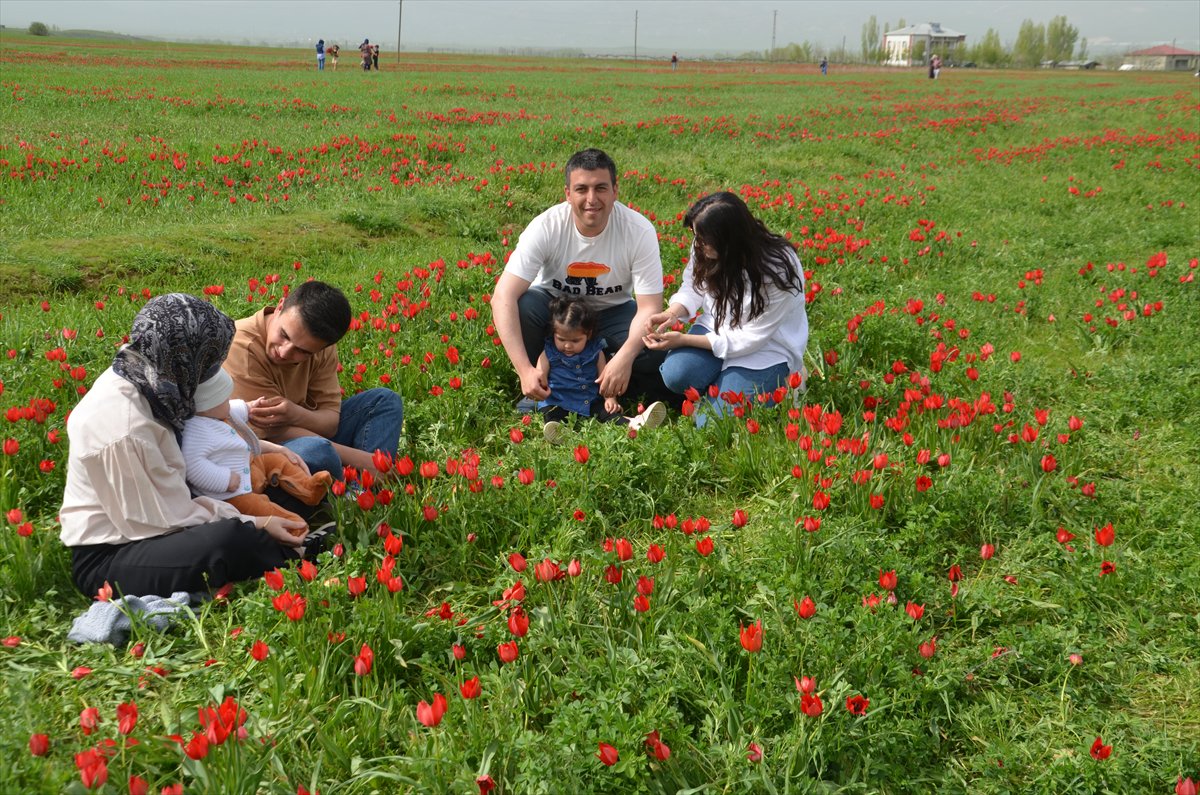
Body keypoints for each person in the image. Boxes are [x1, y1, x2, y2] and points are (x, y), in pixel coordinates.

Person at [59, 294, 308, 599]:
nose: (212, 371)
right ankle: (297, 556)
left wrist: (266, 459)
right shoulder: (125, 429)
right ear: (185, 358)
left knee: (269, 494)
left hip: (166, 509)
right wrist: (254, 522)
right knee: (228, 540)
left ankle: (278, 536)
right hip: (115, 552)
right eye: (208, 363)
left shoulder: (153, 376)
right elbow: (167, 520)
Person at [491, 148, 668, 414]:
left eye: (601, 188)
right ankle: (539, 380)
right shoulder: (546, 226)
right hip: (558, 312)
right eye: (582, 189)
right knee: (525, 304)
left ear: (615, 190)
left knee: (655, 346)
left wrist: (625, 357)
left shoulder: (638, 230)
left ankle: (606, 376)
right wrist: (523, 370)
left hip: (613, 311)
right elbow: (502, 297)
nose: (591, 199)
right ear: (567, 194)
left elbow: (649, 307)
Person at [643, 192, 808, 427]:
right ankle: (719, 386)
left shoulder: (778, 269)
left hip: (765, 349)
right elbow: (693, 286)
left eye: (703, 241)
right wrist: (673, 312)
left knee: (708, 425)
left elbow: (751, 338)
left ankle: (791, 378)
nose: (697, 245)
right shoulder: (706, 244)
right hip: (716, 328)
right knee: (676, 374)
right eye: (696, 238)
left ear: (731, 240)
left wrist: (684, 340)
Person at [223, 280, 403, 478]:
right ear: (280, 307)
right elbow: (272, 432)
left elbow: (331, 422)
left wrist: (296, 414)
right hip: (261, 446)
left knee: (384, 401)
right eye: (284, 335)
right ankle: (359, 482)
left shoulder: (321, 348)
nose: (284, 351)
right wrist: (361, 459)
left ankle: (359, 490)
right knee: (317, 450)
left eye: (302, 351)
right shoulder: (241, 345)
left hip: (303, 429)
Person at [181, 369, 332, 535]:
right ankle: (293, 526)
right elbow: (194, 466)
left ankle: (308, 488)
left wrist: (251, 407)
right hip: (233, 492)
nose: (229, 403)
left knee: (278, 461)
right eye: (225, 400)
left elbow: (239, 408)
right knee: (261, 507)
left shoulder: (219, 413)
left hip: (252, 463)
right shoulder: (195, 431)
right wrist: (224, 480)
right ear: (207, 407)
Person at [536, 295, 666, 443]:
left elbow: (605, 376)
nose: (567, 346)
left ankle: (634, 423)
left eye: (575, 341)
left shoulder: (596, 352)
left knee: (607, 413)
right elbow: (540, 373)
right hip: (558, 399)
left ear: (588, 334)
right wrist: (540, 383)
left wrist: (610, 398)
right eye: (561, 339)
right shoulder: (549, 352)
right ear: (554, 334)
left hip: (589, 400)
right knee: (552, 413)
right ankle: (559, 431)